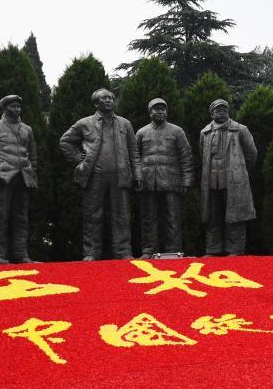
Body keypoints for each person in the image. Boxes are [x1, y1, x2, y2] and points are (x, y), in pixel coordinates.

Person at [59, 88, 140, 260]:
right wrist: (76, 158)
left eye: (111, 97)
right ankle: (91, 253)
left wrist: (137, 174)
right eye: (105, 98)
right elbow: (65, 141)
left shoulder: (125, 124)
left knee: (121, 215)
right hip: (94, 176)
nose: (109, 100)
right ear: (96, 103)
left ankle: (123, 251)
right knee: (93, 214)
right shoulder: (84, 123)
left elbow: (133, 151)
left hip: (120, 175)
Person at [0, 95, 38, 264]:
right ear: (4, 108)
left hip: (23, 178)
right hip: (1, 178)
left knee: (21, 217)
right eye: (13, 106)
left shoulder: (27, 129)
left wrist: (32, 171)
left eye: (18, 106)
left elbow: (33, 154)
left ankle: (20, 254)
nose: (17, 109)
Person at [134, 98, 193, 257]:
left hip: (171, 181)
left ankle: (173, 251)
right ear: (150, 112)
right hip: (147, 182)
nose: (160, 112)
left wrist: (186, 180)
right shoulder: (141, 132)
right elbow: (135, 157)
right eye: (156, 109)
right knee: (148, 218)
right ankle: (148, 251)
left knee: (172, 217)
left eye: (163, 109)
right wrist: (137, 178)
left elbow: (186, 156)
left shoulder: (177, 131)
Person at [200, 99, 257, 256]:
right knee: (213, 216)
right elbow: (202, 155)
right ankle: (213, 249)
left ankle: (235, 250)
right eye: (218, 110)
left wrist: (240, 171)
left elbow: (251, 154)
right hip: (212, 181)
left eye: (225, 109)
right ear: (211, 113)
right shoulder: (204, 132)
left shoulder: (241, 130)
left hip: (234, 181)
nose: (222, 112)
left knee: (235, 216)